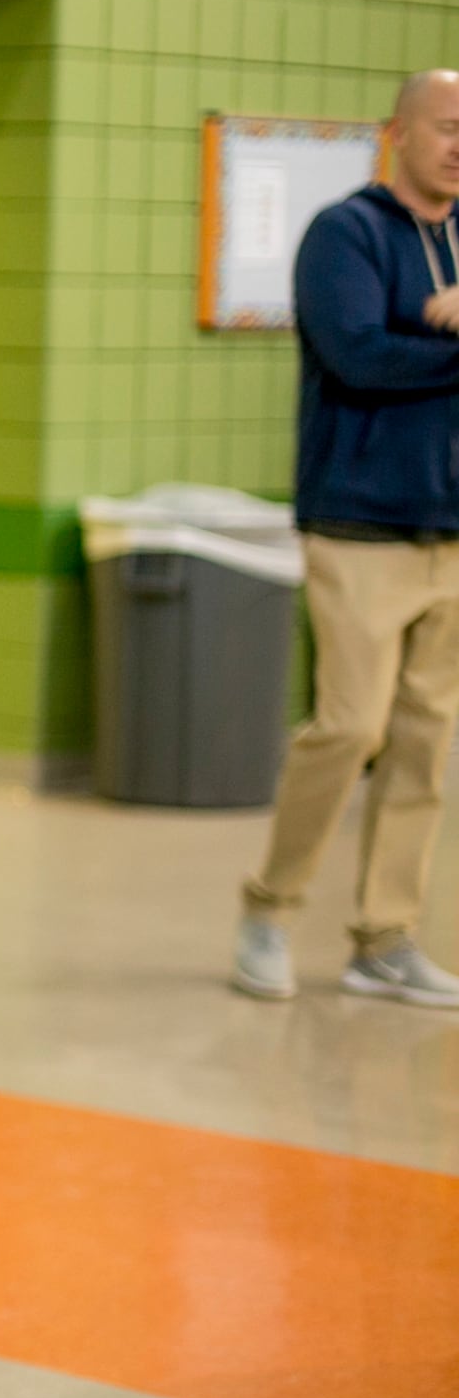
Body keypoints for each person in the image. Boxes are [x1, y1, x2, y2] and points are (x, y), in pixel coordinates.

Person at [231, 68, 459, 1007]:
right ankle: (269, 909)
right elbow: (358, 356)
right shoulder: (346, 235)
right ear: (398, 132)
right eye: (446, 127)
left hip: (451, 532)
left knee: (425, 743)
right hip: (360, 526)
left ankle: (385, 936)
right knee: (350, 726)